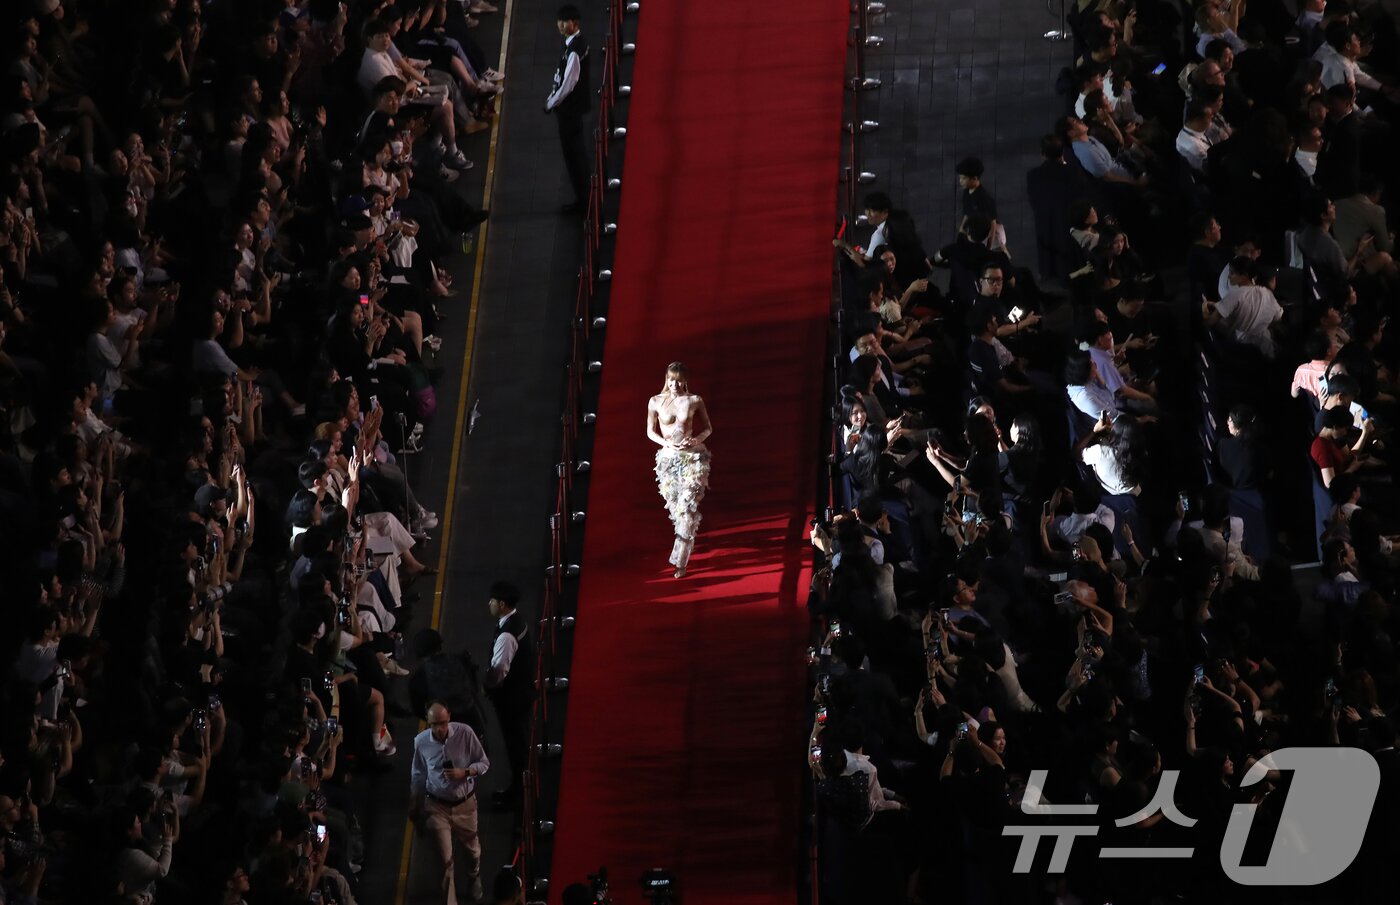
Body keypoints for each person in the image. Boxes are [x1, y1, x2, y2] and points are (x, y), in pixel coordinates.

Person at [409, 702, 490, 905]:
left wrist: (466, 772)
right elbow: (418, 775)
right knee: (445, 862)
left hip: (465, 804)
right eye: (435, 724)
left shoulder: (465, 733)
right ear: (428, 722)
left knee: (472, 851)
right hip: (436, 807)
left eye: (443, 723)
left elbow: (484, 763)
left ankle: (474, 877)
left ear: (450, 718)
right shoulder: (421, 742)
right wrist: (415, 805)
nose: (439, 729)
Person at [647, 362, 713, 577]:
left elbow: (708, 428)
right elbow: (650, 431)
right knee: (676, 509)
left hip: (693, 459)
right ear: (666, 379)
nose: (674, 384)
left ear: (685, 381)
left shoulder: (694, 400)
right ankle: (687, 541)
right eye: (670, 379)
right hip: (667, 460)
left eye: (678, 380)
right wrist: (666, 444)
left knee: (686, 507)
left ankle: (680, 561)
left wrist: (695, 439)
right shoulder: (655, 401)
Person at [484, 581, 534, 807]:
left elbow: (499, 670)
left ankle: (519, 794)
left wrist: (489, 687)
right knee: (519, 739)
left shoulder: (506, 636)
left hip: (511, 698)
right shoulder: (518, 621)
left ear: (502, 604)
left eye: (493, 601)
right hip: (522, 691)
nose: (490, 604)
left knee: (515, 744)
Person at [545, 5, 591, 214]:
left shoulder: (574, 50)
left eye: (566, 21)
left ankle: (584, 202)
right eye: (560, 21)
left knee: (574, 157)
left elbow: (568, 84)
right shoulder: (574, 45)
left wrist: (551, 102)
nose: (562, 25)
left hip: (569, 111)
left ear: (575, 23)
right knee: (576, 155)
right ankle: (584, 197)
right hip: (572, 109)